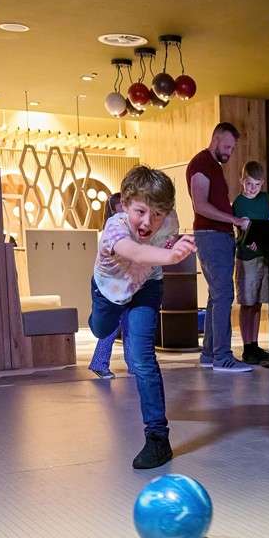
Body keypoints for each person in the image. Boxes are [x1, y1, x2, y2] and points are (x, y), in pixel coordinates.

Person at [90, 166, 196, 469]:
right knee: (101, 328)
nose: (148, 222)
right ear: (125, 204)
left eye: (158, 214)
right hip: (107, 291)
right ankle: (105, 323)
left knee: (141, 359)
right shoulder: (115, 227)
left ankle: (158, 440)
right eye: (140, 211)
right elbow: (134, 252)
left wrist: (180, 245)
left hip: (146, 288)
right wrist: (173, 255)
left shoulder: (169, 221)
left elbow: (162, 244)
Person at [187, 122, 252, 373]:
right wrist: (235, 220)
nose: (229, 151)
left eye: (232, 148)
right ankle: (222, 357)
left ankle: (209, 354)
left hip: (219, 236)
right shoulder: (201, 163)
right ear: (214, 139)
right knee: (224, 294)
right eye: (226, 146)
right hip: (211, 236)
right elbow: (200, 206)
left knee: (217, 295)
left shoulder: (213, 166)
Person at [232, 161, 269, 364]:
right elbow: (240, 231)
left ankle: (255, 344)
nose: (252, 189)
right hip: (246, 257)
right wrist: (250, 242)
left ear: (262, 184)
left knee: (257, 303)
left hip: (263, 257)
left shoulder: (265, 199)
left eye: (256, 185)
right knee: (246, 303)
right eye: (248, 184)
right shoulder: (238, 203)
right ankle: (247, 345)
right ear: (242, 181)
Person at [88, 191, 125, 379]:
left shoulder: (122, 227)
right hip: (111, 284)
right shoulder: (113, 230)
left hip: (121, 282)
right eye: (123, 204)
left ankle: (135, 363)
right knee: (113, 324)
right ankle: (100, 363)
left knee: (128, 322)